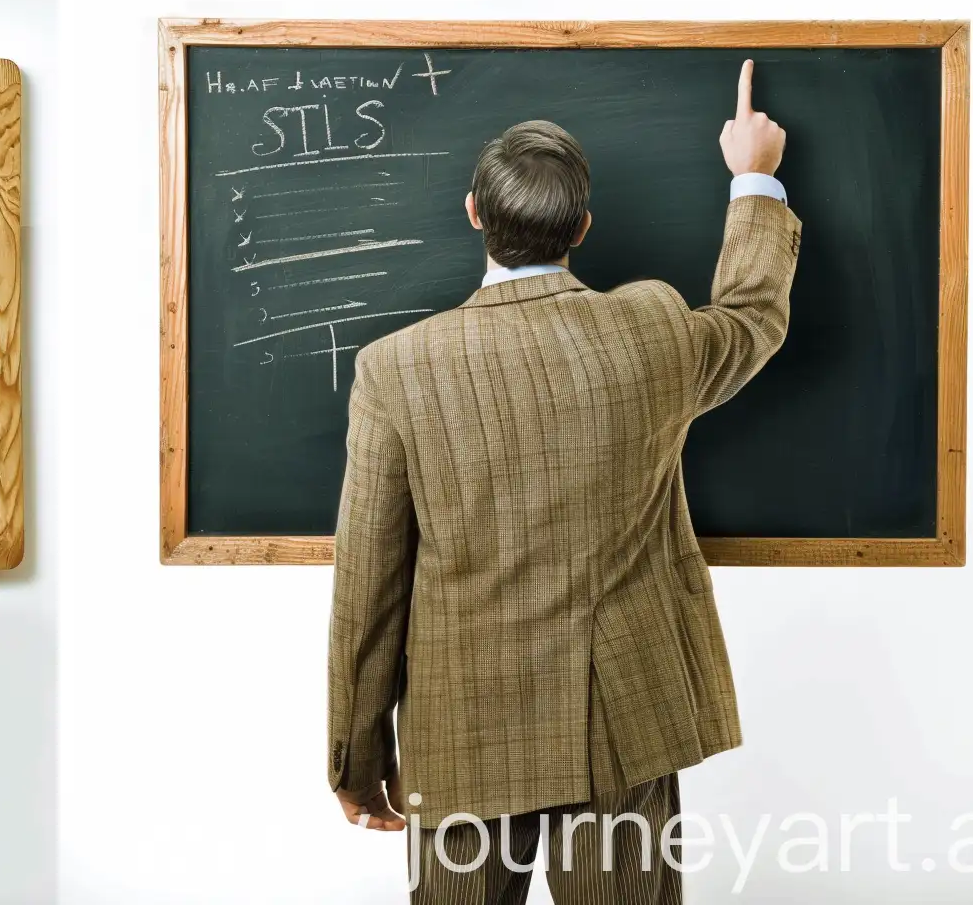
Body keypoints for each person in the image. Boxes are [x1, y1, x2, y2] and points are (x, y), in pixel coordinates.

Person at [326, 63, 799, 900]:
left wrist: (359, 760)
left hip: (463, 727)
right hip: (623, 721)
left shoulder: (395, 371)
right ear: (581, 226)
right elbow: (752, 316)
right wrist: (752, 176)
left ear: (474, 214)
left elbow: (371, 588)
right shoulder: (651, 330)